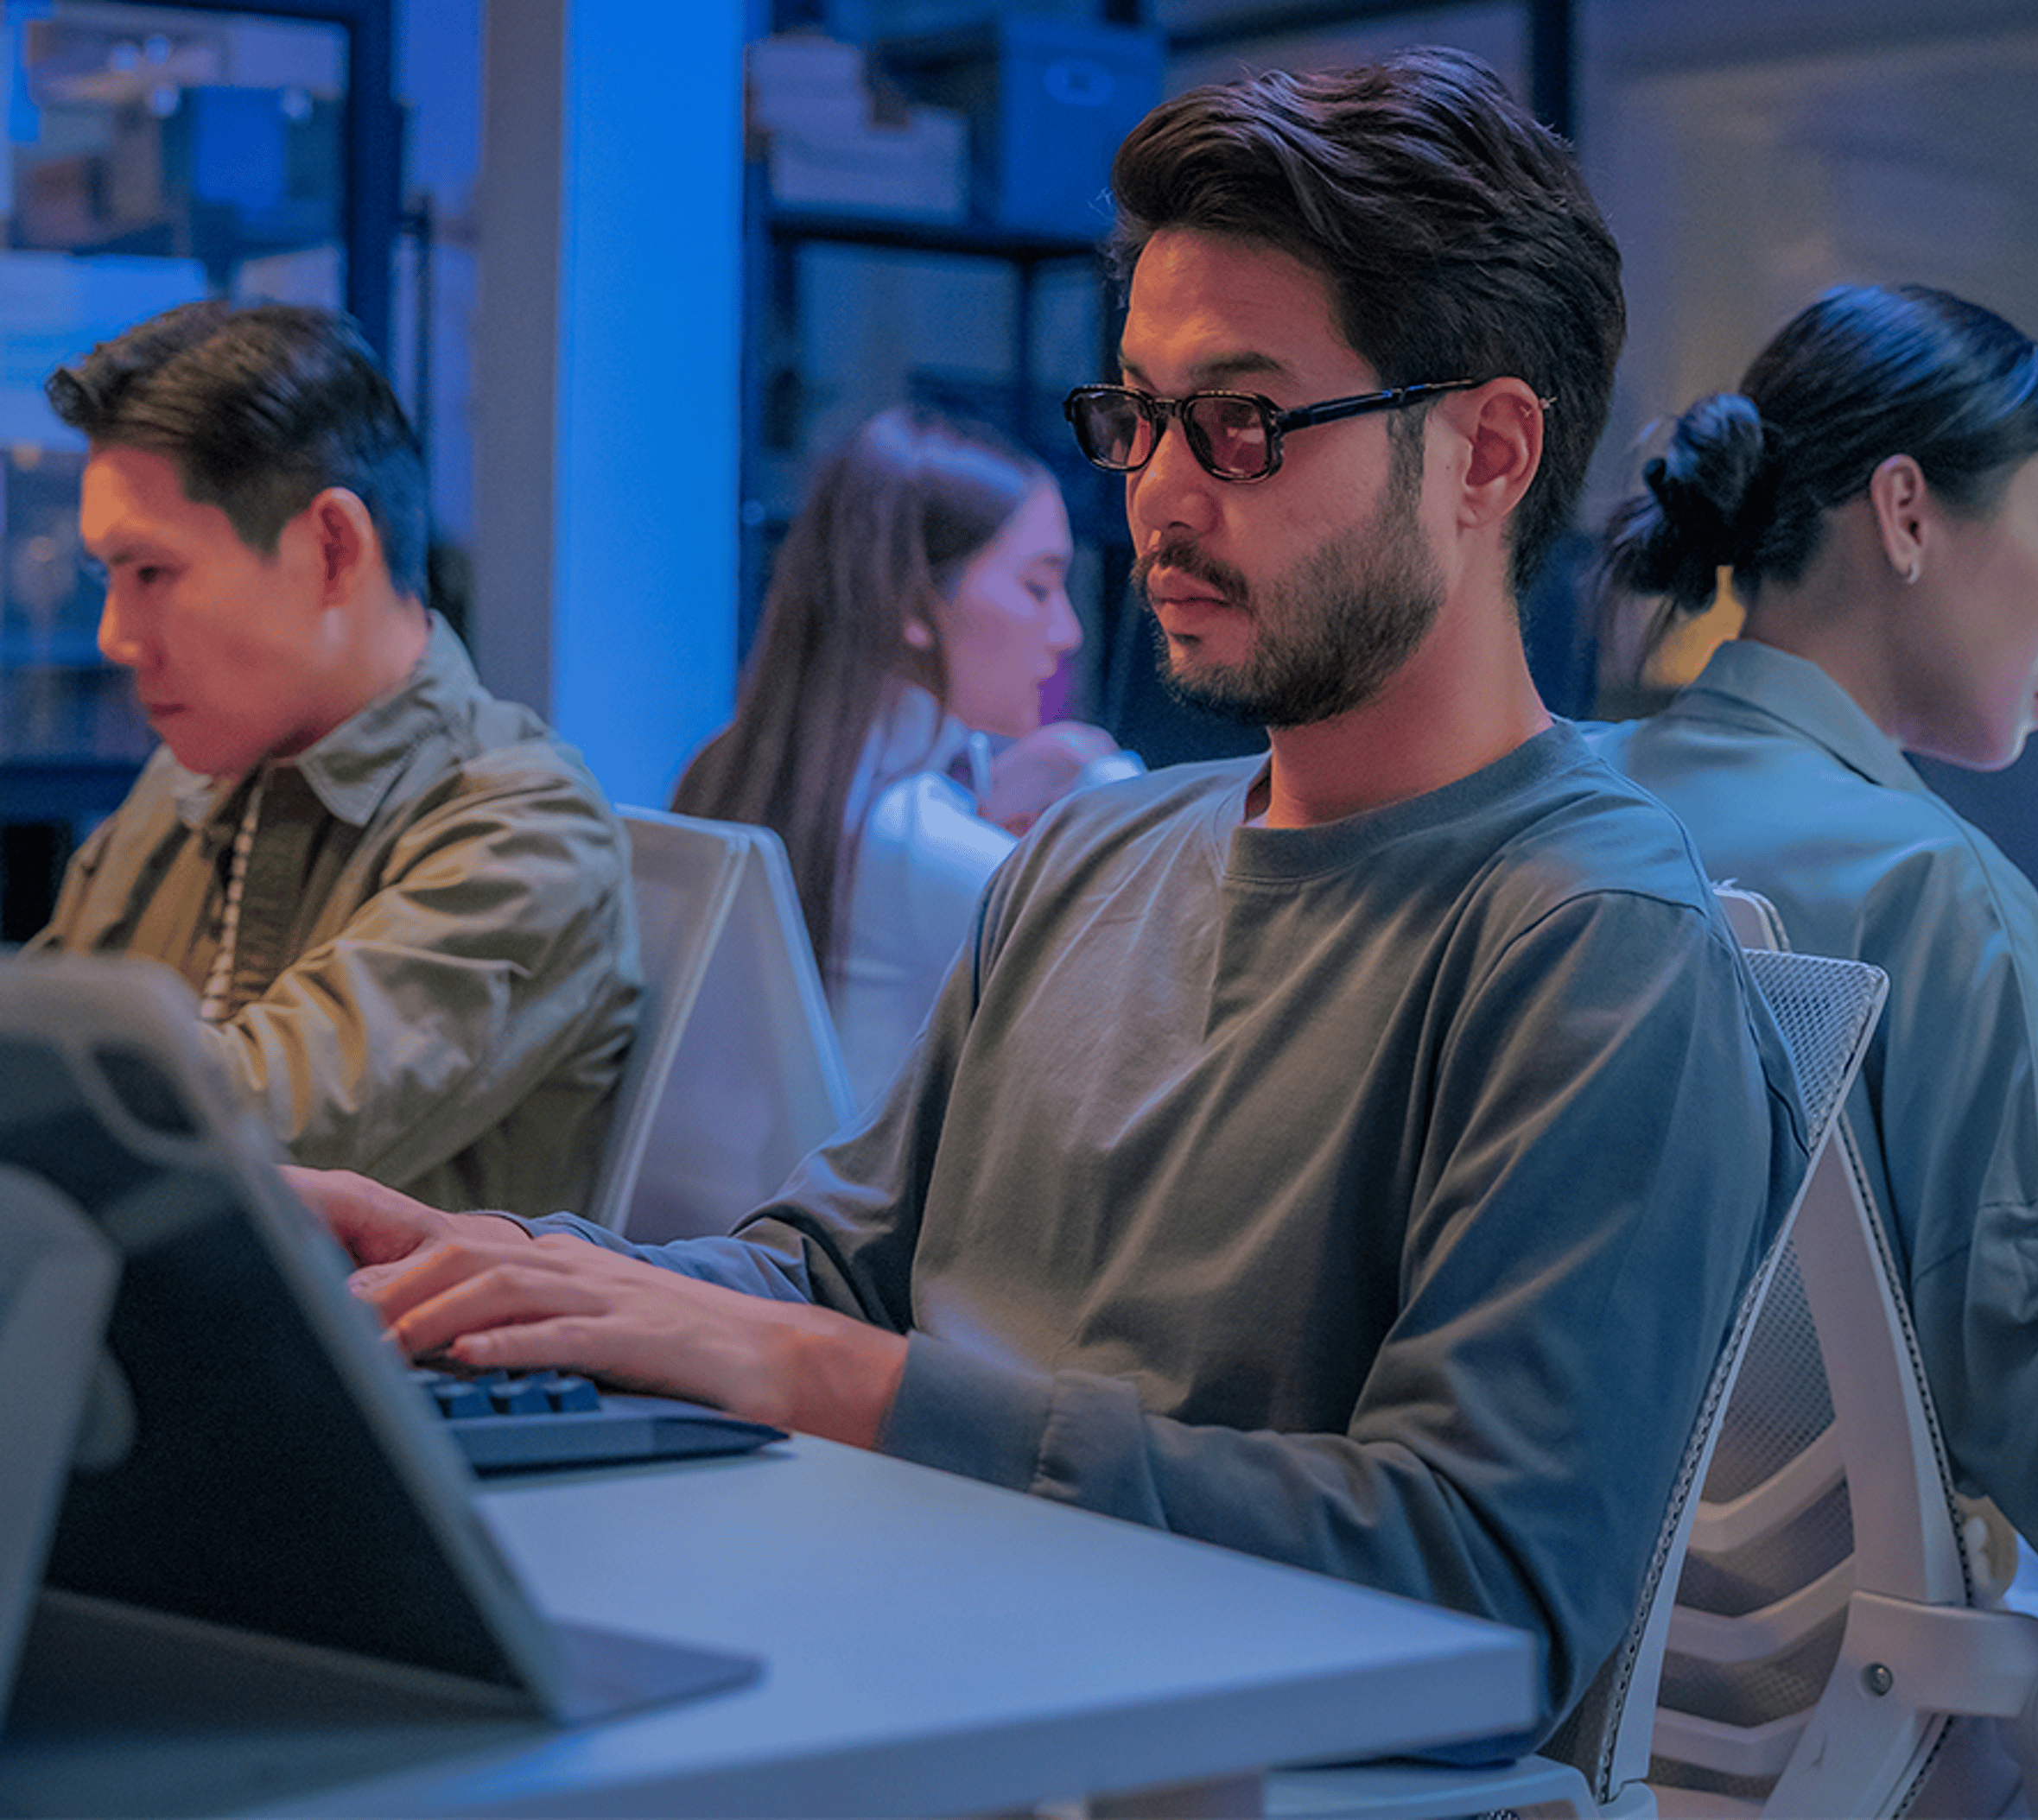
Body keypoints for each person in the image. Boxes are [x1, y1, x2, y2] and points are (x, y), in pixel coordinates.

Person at [300, 48, 1805, 1739]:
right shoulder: (1095, 853)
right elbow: (836, 1274)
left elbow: (1483, 1594)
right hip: (907, 1671)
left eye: (1240, 423)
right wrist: (520, 1272)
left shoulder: (1588, 941)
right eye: (1138, 417)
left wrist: (840, 1384)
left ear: (1486, 453)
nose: (1155, 492)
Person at [1589, 282, 2038, 1639]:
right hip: (1860, 1688)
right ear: (1909, 513)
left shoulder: (1574, 806)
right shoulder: (1940, 891)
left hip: (1610, 1659)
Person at [32, 299, 639, 1220]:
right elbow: (39, 1051)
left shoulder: (524, 826)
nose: (116, 635)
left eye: (151, 571)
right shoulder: (191, 777)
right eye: (105, 576)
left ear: (331, 549)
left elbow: (231, 1139)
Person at [670, 407, 1138, 1105]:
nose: (1066, 631)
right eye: (1038, 587)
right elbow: (1161, 976)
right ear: (912, 604)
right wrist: (1103, 781)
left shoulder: (728, 766)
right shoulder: (914, 838)